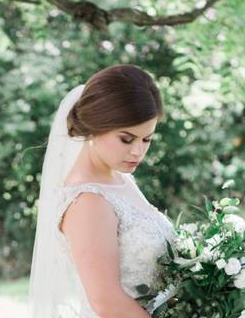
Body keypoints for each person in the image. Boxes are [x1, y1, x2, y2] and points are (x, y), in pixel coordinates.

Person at [28, 64, 175, 317]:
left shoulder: (118, 178)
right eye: (126, 139)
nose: (138, 151)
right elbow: (107, 302)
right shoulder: (87, 201)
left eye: (146, 140)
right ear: (95, 126)